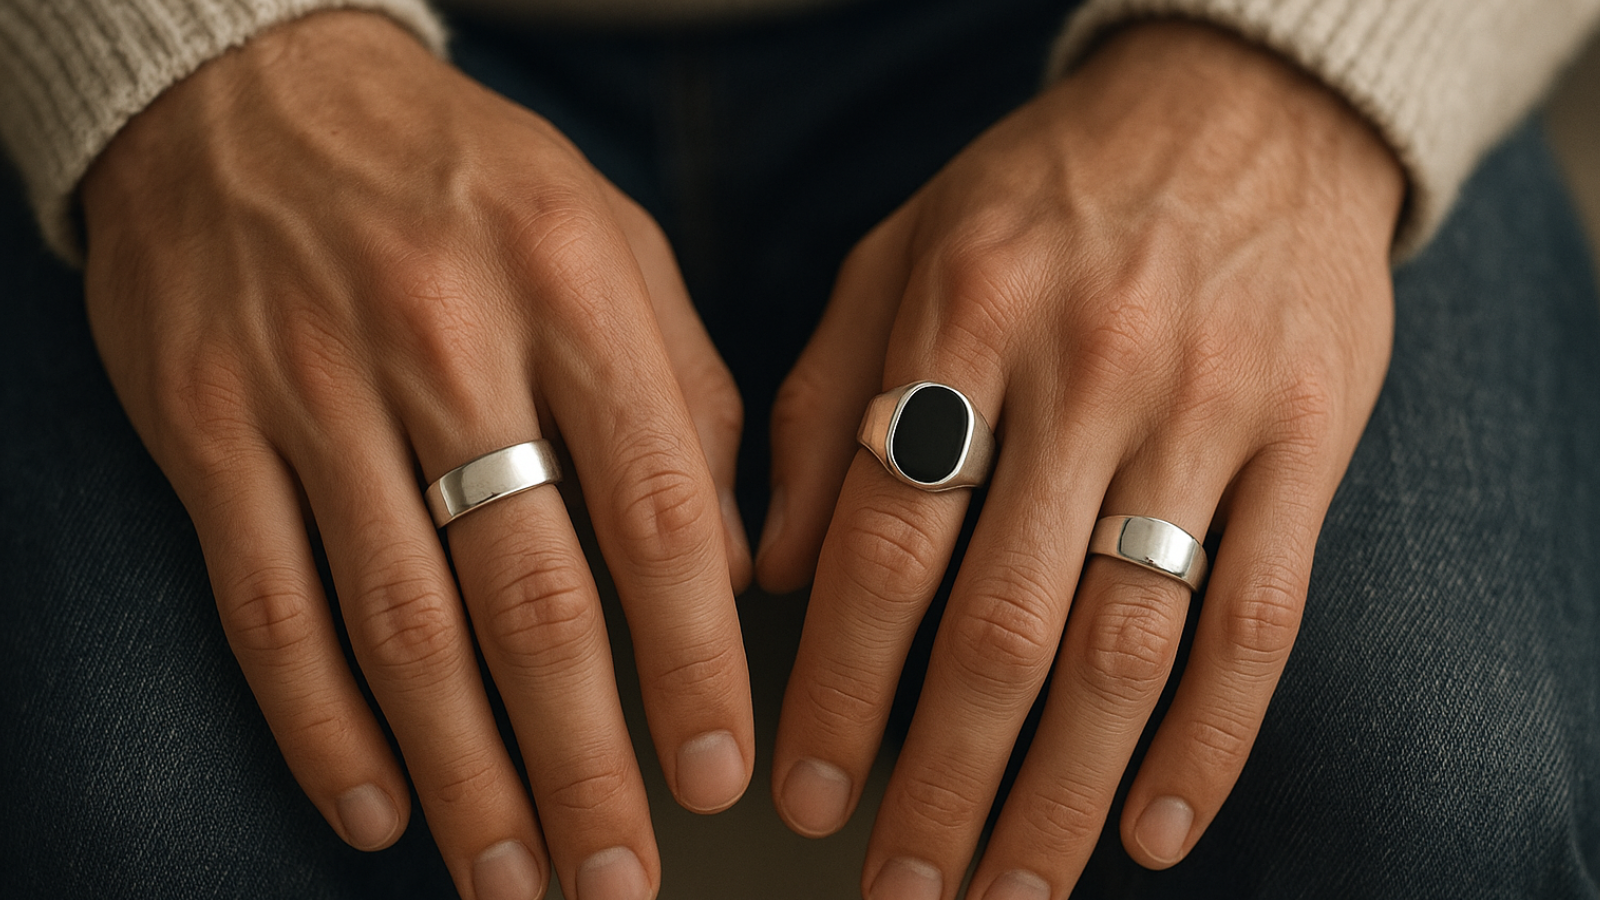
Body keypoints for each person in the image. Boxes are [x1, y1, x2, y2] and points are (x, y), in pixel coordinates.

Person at [3, 0, 1599, 898]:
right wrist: (193, 60)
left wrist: (1290, 77)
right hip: (286, 60)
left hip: (1154, 46)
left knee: (1444, 777)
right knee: (137, 819)